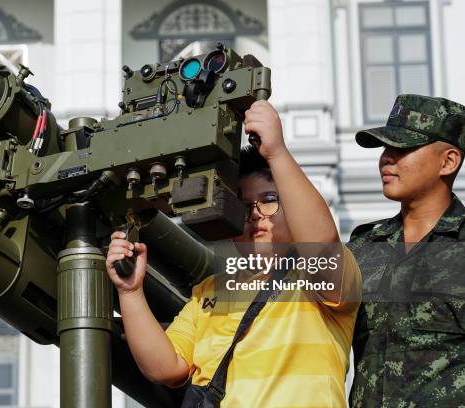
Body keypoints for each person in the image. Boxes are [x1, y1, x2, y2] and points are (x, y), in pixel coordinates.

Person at [106, 100, 361, 407]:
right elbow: (165, 367)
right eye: (244, 205)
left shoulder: (318, 281)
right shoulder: (209, 292)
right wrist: (131, 292)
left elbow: (321, 243)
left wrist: (277, 153)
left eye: (269, 200)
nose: (256, 215)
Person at [348, 94, 465, 407]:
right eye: (385, 149)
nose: (387, 158)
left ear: (449, 161)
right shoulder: (363, 247)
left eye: (403, 148)